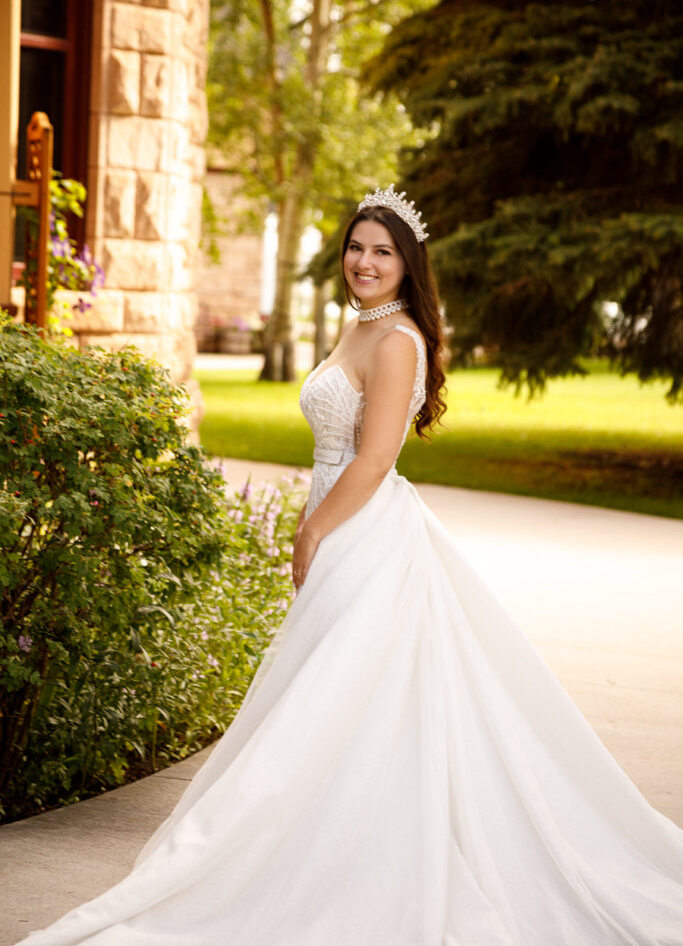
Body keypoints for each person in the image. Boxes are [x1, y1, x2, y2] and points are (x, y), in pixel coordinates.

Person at [16, 186, 683, 946]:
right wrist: (315, 522)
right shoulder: (359, 326)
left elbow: (372, 461)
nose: (364, 262)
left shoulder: (397, 340)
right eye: (356, 248)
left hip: (366, 533)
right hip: (343, 523)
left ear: (407, 266)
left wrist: (311, 532)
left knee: (340, 699)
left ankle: (355, 855)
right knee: (326, 701)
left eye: (382, 251)